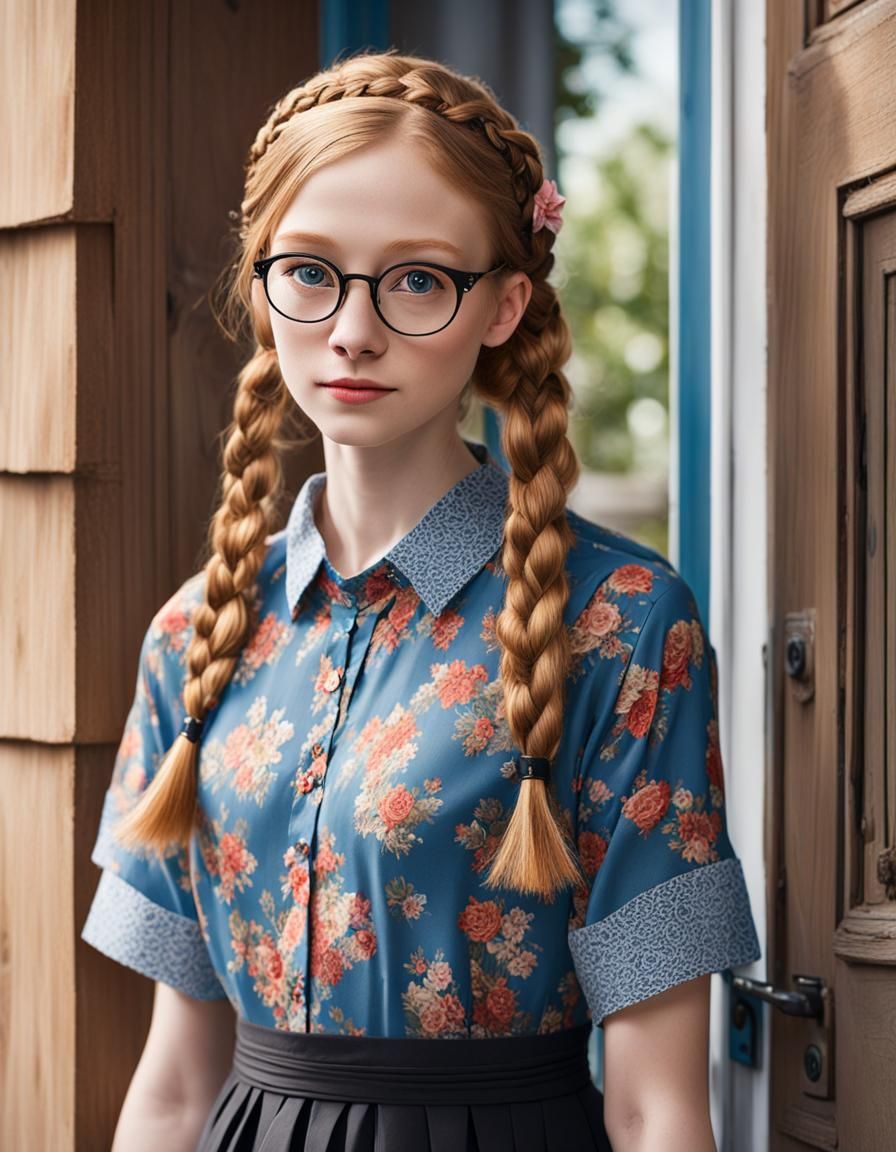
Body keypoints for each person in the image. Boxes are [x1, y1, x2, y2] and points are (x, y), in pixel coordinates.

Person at [80, 50, 761, 1152]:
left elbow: (656, 1105)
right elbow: (173, 1081)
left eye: (414, 279)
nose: (351, 330)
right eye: (308, 271)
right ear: (263, 290)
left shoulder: (622, 621)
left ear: (503, 305)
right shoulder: (194, 632)